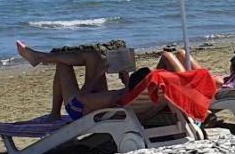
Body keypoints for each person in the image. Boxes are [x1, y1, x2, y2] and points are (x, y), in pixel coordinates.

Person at [16, 41, 152, 123]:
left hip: (80, 110)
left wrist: (97, 74)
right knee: (94, 56)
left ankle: (54, 113)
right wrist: (127, 81)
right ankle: (41, 57)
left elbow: (82, 98)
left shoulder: (114, 96)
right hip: (98, 104)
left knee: (63, 64)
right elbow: (130, 92)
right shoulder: (142, 95)